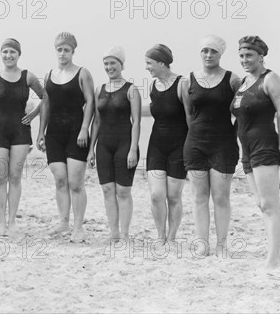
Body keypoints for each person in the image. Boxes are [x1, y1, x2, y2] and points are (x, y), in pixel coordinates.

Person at [231, 36, 280, 269]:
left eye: (249, 55)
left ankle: (274, 257)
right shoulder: (243, 83)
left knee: (270, 203)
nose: (244, 60)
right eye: (241, 56)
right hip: (246, 150)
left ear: (261, 56)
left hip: (265, 145)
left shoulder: (271, 79)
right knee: (260, 203)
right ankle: (272, 251)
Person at [181, 35, 241, 256]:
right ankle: (202, 243)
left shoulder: (233, 79)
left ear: (221, 53)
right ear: (200, 52)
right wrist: (196, 134)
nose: (208, 55)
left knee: (221, 197)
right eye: (205, 50)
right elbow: (189, 115)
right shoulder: (188, 80)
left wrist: (230, 135)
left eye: (213, 51)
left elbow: (241, 113)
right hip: (195, 144)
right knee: (198, 197)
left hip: (223, 144)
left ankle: (222, 244)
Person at [0, 38, 45, 235]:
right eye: (5, 52)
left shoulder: (28, 77)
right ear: (1, 54)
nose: (8, 55)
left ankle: (12, 222)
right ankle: (1, 222)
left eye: (12, 52)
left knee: (15, 177)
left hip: (20, 131)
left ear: (19, 55)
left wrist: (34, 114)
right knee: (0, 176)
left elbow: (46, 96)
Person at [37, 32, 94, 243]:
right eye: (59, 49)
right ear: (55, 50)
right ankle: (63, 222)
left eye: (66, 50)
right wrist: (41, 131)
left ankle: (78, 227)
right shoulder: (49, 75)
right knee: (60, 179)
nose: (62, 53)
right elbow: (46, 104)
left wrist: (84, 129)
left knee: (75, 182)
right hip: (54, 133)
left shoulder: (82, 73)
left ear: (73, 51)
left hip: (76, 133)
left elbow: (90, 103)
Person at [88, 46, 141, 241]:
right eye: (106, 64)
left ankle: (125, 234)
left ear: (122, 65)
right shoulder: (99, 89)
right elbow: (97, 121)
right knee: (107, 189)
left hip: (125, 144)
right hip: (103, 145)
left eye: (113, 63)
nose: (110, 67)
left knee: (123, 191)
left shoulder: (131, 89)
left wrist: (133, 149)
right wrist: (91, 150)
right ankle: (114, 233)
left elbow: (136, 121)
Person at [144, 44, 187, 244]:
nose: (147, 67)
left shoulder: (182, 84)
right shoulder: (153, 86)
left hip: (179, 146)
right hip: (156, 146)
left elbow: (190, 118)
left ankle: (171, 236)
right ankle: (160, 234)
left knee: (174, 196)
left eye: (149, 63)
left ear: (162, 63)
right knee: (156, 195)